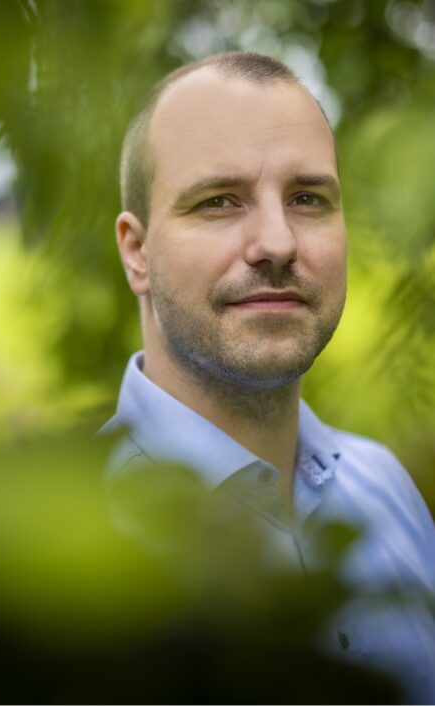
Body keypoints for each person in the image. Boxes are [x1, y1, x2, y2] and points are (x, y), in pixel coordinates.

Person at [101, 51, 435, 702]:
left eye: (308, 198)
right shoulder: (72, 549)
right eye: (219, 201)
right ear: (138, 253)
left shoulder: (384, 486)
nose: (278, 243)